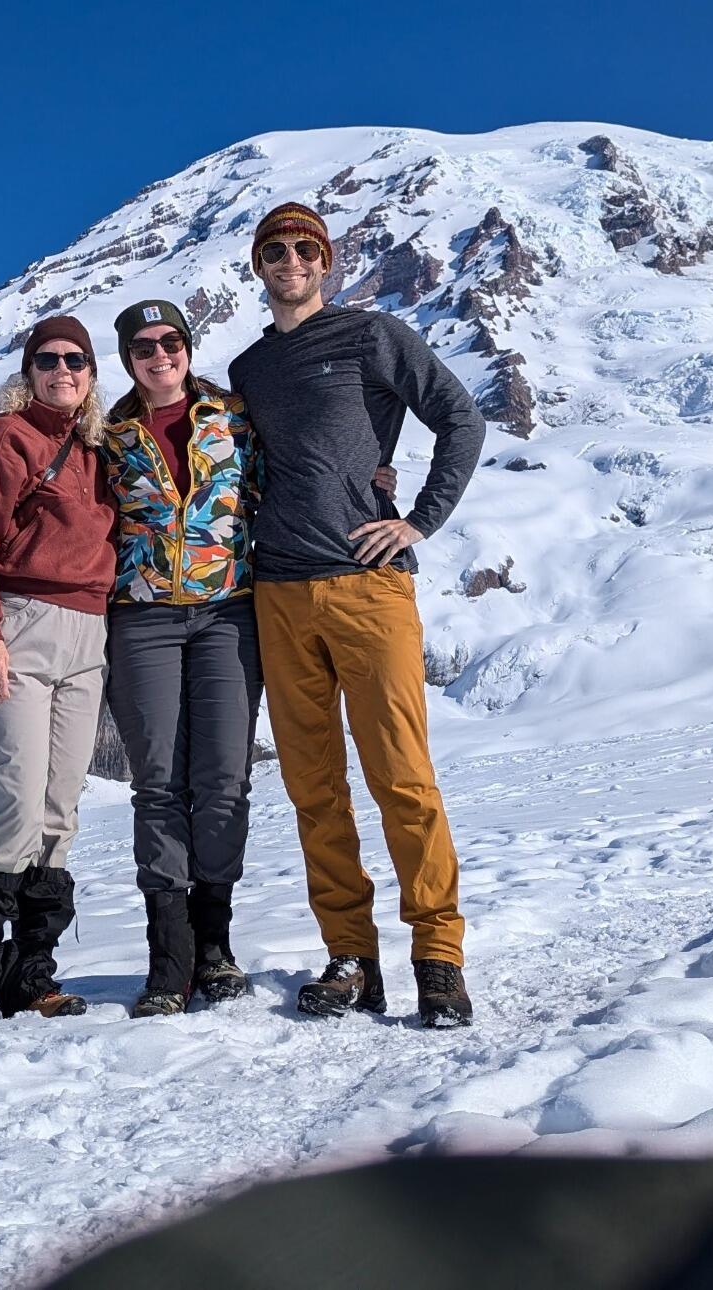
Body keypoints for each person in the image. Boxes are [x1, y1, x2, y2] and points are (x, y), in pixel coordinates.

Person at [227, 201, 487, 1029]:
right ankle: (351, 958)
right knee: (314, 788)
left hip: (369, 587)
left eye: (306, 249)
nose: (292, 262)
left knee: (401, 777)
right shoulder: (247, 370)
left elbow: (462, 418)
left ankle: (438, 956)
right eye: (276, 250)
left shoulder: (373, 336)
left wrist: (418, 520)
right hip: (279, 593)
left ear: (327, 261)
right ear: (259, 265)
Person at [0, 314, 115, 1025]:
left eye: (76, 360)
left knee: (59, 814)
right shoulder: (6, 440)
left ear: (91, 374)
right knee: (15, 808)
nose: (63, 371)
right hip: (22, 628)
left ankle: (30, 978)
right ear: (28, 371)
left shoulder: (98, 450)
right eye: (48, 359)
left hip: (88, 635)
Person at [100, 298, 262, 1016]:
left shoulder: (233, 419)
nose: (159, 354)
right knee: (159, 784)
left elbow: (284, 481)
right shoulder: (110, 436)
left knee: (223, 779)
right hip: (142, 618)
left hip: (229, 613)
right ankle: (169, 961)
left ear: (188, 347)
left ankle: (214, 947)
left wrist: (375, 479)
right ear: (128, 360)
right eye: (143, 347)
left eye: (170, 341)